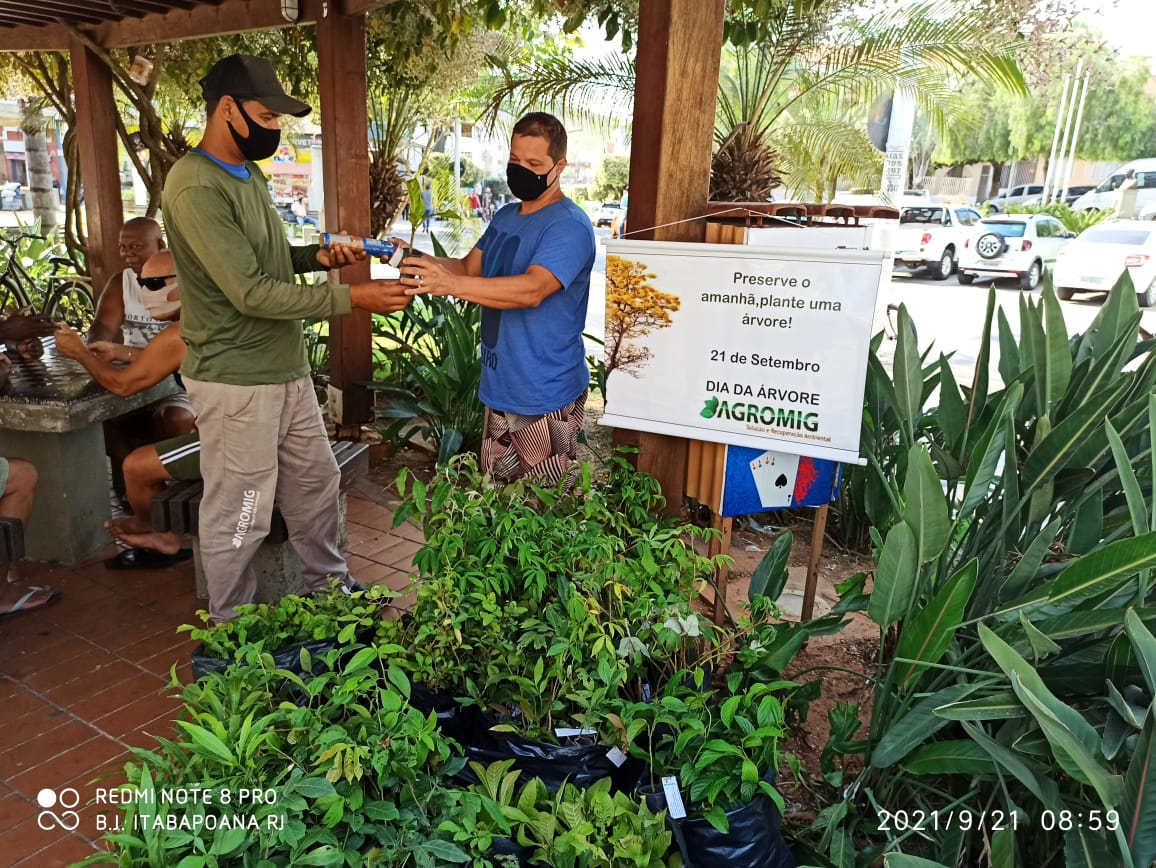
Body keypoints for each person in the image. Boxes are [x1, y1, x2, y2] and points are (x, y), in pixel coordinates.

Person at [161, 54, 411, 622]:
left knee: (315, 484)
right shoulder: (194, 185)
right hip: (236, 380)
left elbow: (263, 263)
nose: (275, 128)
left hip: (284, 369)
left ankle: (329, 589)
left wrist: (313, 257)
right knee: (244, 507)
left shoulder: (245, 174)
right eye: (266, 116)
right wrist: (355, 298)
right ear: (227, 109)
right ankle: (233, 625)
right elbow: (250, 294)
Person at [401, 112, 595, 488]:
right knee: (496, 501)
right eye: (515, 161)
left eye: (534, 164)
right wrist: (411, 258)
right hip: (501, 387)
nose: (522, 170)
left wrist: (449, 286)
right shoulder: (506, 216)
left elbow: (532, 289)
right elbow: (466, 269)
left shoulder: (568, 225)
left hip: (544, 394)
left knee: (542, 515)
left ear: (560, 166)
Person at [54, 251, 194, 562]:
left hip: (236, 438)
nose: (146, 293)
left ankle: (158, 530)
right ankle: (162, 529)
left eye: (156, 284)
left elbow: (123, 385)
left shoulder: (184, 330)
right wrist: (119, 350)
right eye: (143, 284)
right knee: (131, 452)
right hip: (230, 425)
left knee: (136, 467)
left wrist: (80, 354)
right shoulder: (194, 322)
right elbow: (161, 358)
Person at [88, 218, 196, 509]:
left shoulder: (182, 282)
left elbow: (170, 360)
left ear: (160, 245)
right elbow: (102, 327)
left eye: (136, 246)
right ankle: (136, 496)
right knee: (108, 421)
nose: (128, 254)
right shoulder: (121, 282)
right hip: (138, 375)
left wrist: (87, 353)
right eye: (123, 248)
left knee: (176, 420)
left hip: (177, 382)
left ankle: (176, 492)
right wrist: (97, 347)